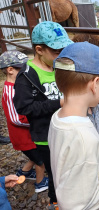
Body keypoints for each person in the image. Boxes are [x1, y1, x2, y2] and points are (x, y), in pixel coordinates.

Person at [48, 42, 99, 210]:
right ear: (95, 84)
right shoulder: (82, 136)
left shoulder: (59, 119)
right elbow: (78, 204)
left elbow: (95, 145)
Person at [13, 21, 73, 209]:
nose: (62, 55)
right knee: (55, 172)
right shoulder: (27, 76)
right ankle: (57, 201)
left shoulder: (59, 67)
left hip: (66, 129)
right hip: (46, 137)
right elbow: (24, 108)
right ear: (39, 49)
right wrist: (58, 103)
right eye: (57, 52)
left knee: (69, 167)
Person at [0, 50, 48, 193]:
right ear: (10, 70)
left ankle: (24, 172)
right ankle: (40, 184)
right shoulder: (11, 92)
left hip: (28, 136)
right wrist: (37, 121)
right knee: (41, 160)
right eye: (22, 69)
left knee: (35, 155)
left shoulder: (17, 87)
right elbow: (15, 118)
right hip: (24, 137)